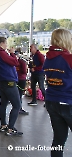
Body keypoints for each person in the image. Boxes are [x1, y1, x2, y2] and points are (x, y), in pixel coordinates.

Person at [43, 29, 72, 157]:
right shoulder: (68, 58)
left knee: (59, 139)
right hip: (68, 101)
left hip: (52, 101)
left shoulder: (48, 58)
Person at [0, 36, 23, 136]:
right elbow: (15, 62)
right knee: (17, 105)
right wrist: (13, 53)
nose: (7, 45)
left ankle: (3, 125)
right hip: (8, 81)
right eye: (6, 43)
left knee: (3, 103)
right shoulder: (1, 53)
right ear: (2, 44)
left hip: (2, 81)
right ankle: (10, 128)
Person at [15, 48, 29, 115]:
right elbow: (24, 71)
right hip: (22, 78)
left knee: (18, 94)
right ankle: (19, 108)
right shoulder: (22, 61)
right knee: (20, 94)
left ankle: (17, 107)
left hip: (17, 78)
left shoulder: (15, 61)